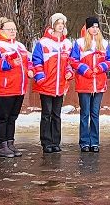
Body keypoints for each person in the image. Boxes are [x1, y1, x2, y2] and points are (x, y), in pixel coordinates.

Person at [31, 13, 81, 153]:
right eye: (58, 23)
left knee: (56, 114)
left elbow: (70, 62)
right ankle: (46, 142)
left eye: (62, 23)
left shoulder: (67, 44)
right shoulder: (43, 42)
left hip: (60, 85)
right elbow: (36, 61)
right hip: (46, 84)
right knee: (46, 113)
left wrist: (69, 71)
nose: (60, 25)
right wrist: (40, 76)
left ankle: (55, 141)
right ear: (53, 25)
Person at [0, 19, 31, 158]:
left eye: (14, 29)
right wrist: (9, 63)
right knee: (2, 117)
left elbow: (28, 61)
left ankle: (10, 142)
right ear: (2, 30)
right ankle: (2, 144)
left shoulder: (20, 46)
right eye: (9, 29)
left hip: (19, 87)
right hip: (4, 88)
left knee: (12, 117)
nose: (12, 32)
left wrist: (30, 69)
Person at [74, 17, 110, 152]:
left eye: (97, 27)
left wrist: (101, 67)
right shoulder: (79, 43)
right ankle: (84, 141)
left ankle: (95, 141)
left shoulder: (104, 43)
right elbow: (73, 60)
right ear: (87, 28)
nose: (95, 29)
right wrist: (85, 70)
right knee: (85, 113)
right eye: (92, 27)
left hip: (99, 83)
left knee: (95, 113)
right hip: (84, 83)